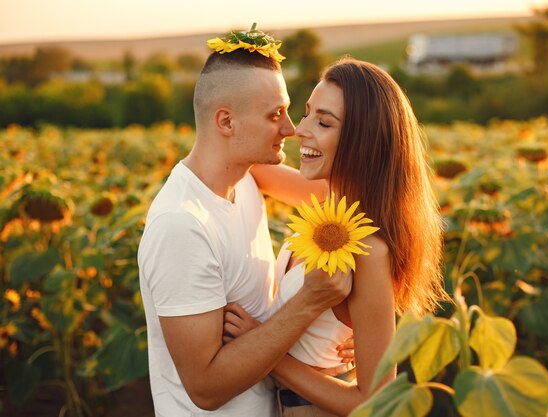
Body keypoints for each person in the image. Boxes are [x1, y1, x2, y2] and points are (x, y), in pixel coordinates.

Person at [137, 26, 353, 417]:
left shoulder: (248, 177)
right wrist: (308, 303)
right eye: (275, 115)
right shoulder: (180, 227)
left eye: (288, 111)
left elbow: (360, 202)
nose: (290, 129)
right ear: (225, 122)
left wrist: (371, 329)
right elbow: (205, 388)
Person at [225, 58, 447, 416]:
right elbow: (253, 167)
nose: (300, 129)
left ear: (363, 140)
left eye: (324, 122)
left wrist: (261, 347)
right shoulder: (328, 202)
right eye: (308, 112)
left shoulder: (367, 250)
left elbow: (375, 403)